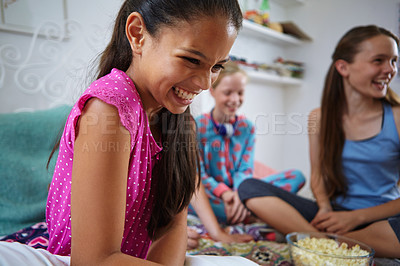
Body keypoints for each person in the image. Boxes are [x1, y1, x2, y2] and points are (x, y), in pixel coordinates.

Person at [45, 0, 242, 265]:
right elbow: (93, 260)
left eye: (217, 66)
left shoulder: (178, 119)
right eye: (191, 59)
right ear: (137, 34)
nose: (205, 84)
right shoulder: (110, 110)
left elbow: (172, 226)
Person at [238, 25, 400, 258]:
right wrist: (324, 208)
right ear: (343, 67)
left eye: (394, 61)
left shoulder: (397, 117)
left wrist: (357, 217)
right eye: (379, 60)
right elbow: (318, 176)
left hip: (380, 220)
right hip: (335, 214)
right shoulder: (318, 117)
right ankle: (328, 245)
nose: (390, 69)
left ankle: (316, 242)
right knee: (249, 187)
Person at [194, 61, 306, 226]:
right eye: (228, 93)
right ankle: (258, 213)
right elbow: (200, 175)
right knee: (189, 201)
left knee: (296, 176)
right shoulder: (197, 127)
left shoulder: (247, 128)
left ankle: (248, 211)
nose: (235, 99)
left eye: (240, 93)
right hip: (212, 195)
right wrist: (225, 193)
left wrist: (240, 194)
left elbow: (245, 169)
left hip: (244, 192)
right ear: (212, 91)